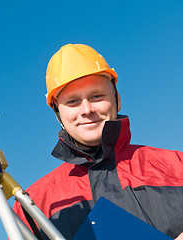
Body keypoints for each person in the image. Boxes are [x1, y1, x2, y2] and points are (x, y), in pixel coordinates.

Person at [13, 43, 183, 239]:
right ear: (57, 112)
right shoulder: (32, 203)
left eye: (96, 96)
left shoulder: (177, 165)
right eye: (72, 101)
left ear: (117, 99)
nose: (86, 110)